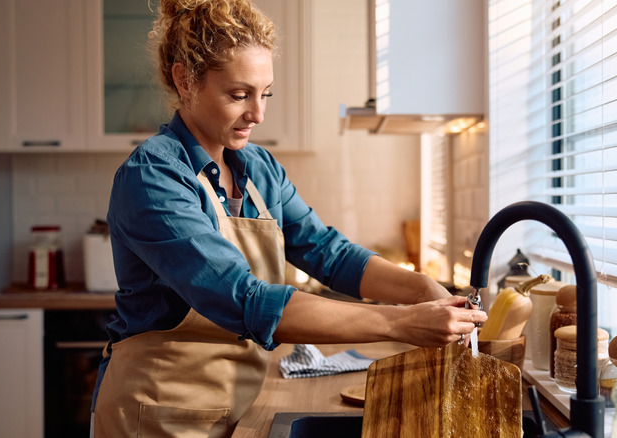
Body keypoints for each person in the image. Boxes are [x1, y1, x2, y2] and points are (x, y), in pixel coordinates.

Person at [90, 0, 487, 436]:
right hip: (155, 413)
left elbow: (329, 254)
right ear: (185, 80)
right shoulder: (153, 177)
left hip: (235, 405)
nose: (257, 114)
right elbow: (243, 299)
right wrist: (401, 322)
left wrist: (421, 291)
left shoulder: (259, 168)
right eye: (239, 95)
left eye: (265, 94)